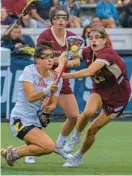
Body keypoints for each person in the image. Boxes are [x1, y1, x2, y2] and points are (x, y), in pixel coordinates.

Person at [60, 27, 131, 167]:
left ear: (104, 40)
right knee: (87, 113)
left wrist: (67, 75)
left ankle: (78, 156)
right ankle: (75, 137)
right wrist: (64, 60)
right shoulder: (88, 51)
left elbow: (90, 71)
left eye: (97, 37)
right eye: (91, 37)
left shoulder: (108, 54)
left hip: (118, 96)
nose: (94, 40)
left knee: (93, 129)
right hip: (99, 88)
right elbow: (71, 57)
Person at [1, 42, 63, 167]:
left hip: (36, 122)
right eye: (45, 57)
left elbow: (53, 104)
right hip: (19, 119)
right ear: (37, 59)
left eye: (51, 56)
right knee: (49, 146)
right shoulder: (29, 71)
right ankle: (11, 154)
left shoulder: (57, 79)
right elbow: (30, 97)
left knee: (42, 148)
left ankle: (10, 153)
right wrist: (47, 90)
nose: (50, 59)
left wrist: (48, 109)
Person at [37, 5, 80, 159]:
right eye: (57, 18)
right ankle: (31, 148)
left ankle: (59, 145)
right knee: (41, 114)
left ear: (67, 20)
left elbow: (76, 61)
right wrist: (56, 62)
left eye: (64, 18)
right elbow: (40, 59)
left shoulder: (73, 37)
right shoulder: (45, 35)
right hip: (45, 80)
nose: (61, 21)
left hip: (63, 80)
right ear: (52, 20)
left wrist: (66, 64)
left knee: (74, 116)